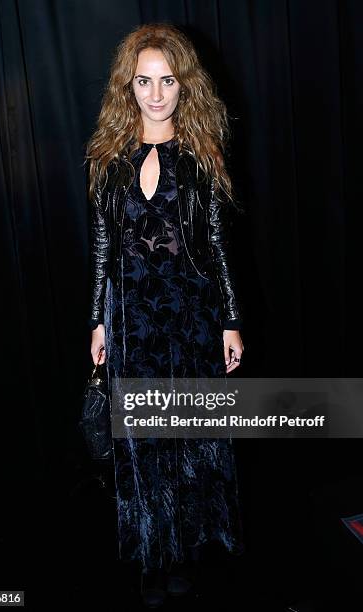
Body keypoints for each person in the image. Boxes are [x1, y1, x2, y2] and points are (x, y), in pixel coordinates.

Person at [85, 23, 245, 608]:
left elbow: (221, 248)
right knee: (144, 445)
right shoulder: (110, 160)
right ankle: (152, 555)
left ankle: (187, 552)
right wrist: (97, 324)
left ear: (185, 85)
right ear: (128, 87)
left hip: (191, 323)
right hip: (132, 325)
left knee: (191, 440)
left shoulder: (203, 157)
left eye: (167, 80)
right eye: (144, 81)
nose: (156, 94)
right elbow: (101, 248)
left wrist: (230, 321)